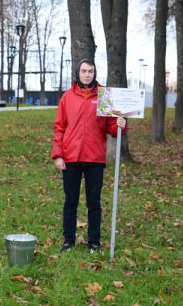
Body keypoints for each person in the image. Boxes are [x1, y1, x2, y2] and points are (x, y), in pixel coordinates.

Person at [51, 58, 127, 254]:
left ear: (94, 73)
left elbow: (111, 127)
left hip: (94, 158)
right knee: (71, 202)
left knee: (94, 202)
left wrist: (120, 124)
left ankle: (94, 243)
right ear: (78, 73)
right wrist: (58, 155)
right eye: (84, 71)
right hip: (71, 158)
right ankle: (68, 242)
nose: (87, 74)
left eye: (90, 71)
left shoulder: (104, 95)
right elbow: (59, 128)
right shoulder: (67, 97)